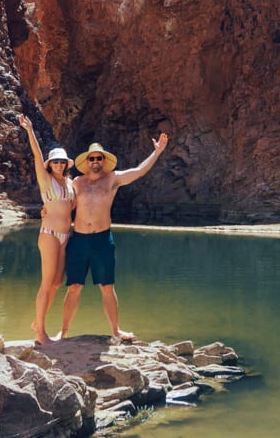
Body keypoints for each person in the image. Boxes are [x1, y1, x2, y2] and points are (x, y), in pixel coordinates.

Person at [60, 131, 169, 341]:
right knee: (74, 286)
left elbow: (138, 171)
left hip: (102, 239)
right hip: (79, 239)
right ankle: (63, 332)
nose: (95, 161)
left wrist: (157, 153)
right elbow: (64, 204)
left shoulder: (113, 179)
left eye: (99, 158)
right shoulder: (77, 183)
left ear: (104, 161)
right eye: (92, 158)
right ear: (87, 161)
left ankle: (116, 330)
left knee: (107, 287)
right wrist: (47, 213)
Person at [18, 114, 75, 344]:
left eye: (62, 162)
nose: (59, 165)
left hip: (65, 236)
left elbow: (77, 206)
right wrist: (30, 130)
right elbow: (36, 154)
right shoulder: (46, 180)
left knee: (57, 283)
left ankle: (37, 321)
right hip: (49, 235)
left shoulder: (71, 183)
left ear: (66, 164)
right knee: (46, 282)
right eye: (55, 162)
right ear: (50, 165)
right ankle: (40, 332)